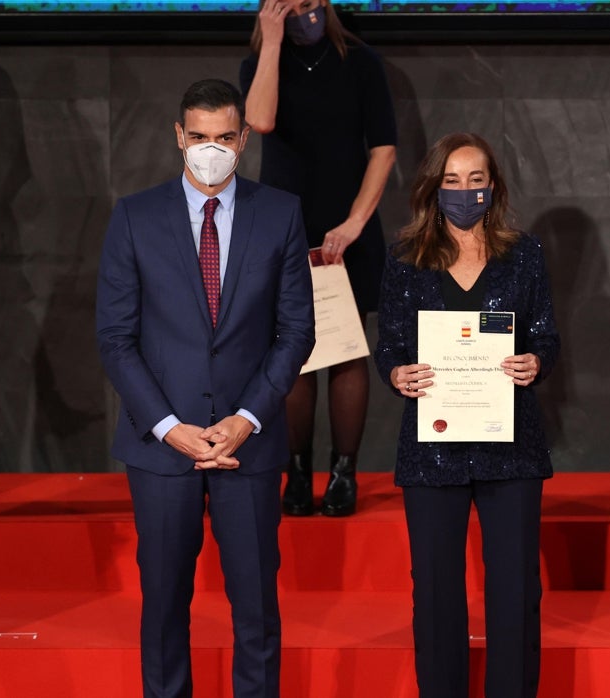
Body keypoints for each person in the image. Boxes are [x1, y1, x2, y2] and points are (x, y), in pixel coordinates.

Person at [95, 79, 314, 698]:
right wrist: (170, 427)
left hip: (248, 444)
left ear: (243, 139)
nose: (210, 149)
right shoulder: (134, 216)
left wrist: (247, 417)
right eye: (198, 137)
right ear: (178, 137)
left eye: (223, 138)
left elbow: (296, 331)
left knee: (257, 615)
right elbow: (115, 337)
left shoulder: (281, 213)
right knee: (163, 609)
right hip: (162, 449)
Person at [375, 132, 559, 697]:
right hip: (432, 449)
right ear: (433, 188)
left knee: (514, 593)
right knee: (433, 594)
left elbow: (546, 337)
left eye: (475, 180)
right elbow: (388, 345)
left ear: (493, 187)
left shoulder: (524, 253)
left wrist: (535, 362)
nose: (463, 191)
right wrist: (395, 374)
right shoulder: (405, 260)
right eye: (451, 181)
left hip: (512, 447)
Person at [240, 0, 396, 517]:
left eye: (309, 3)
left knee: (347, 351)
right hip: (283, 228)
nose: (301, 11)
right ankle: (299, 471)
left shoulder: (360, 61)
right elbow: (258, 121)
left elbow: (384, 149)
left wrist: (354, 223)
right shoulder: (260, 62)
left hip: (346, 231)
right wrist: (273, 40)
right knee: (293, 356)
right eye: (289, 4)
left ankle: (344, 472)